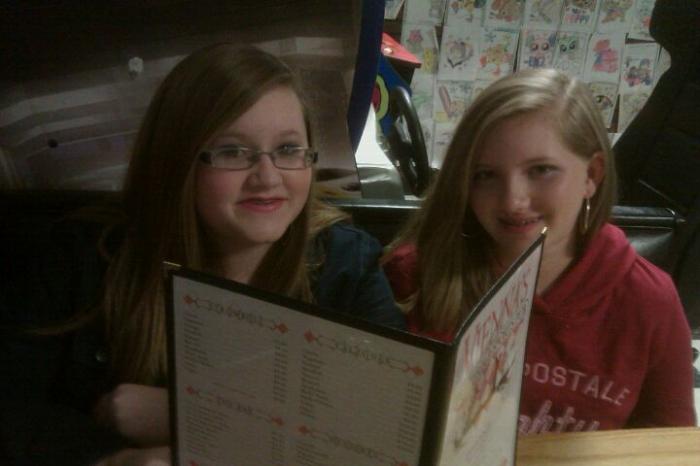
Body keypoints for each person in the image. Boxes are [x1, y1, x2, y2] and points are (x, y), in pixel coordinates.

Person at [0, 44, 404, 466]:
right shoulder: (83, 257)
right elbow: (11, 405)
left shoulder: (346, 262)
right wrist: (112, 459)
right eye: (233, 152)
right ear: (177, 161)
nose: (267, 177)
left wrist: (181, 414)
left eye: (288, 150)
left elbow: (392, 425)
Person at [384, 68, 696, 432]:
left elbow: (670, 445)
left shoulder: (648, 300)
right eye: (485, 175)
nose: (513, 201)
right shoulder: (413, 276)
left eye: (541, 170)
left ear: (591, 176)